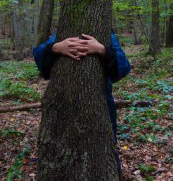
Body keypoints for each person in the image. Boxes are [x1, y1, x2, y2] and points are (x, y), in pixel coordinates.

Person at [33, 31, 131, 178]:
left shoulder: (108, 35)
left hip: (101, 104)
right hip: (63, 104)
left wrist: (102, 50)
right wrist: (56, 48)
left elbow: (123, 68)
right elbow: (40, 58)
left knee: (103, 148)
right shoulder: (61, 33)